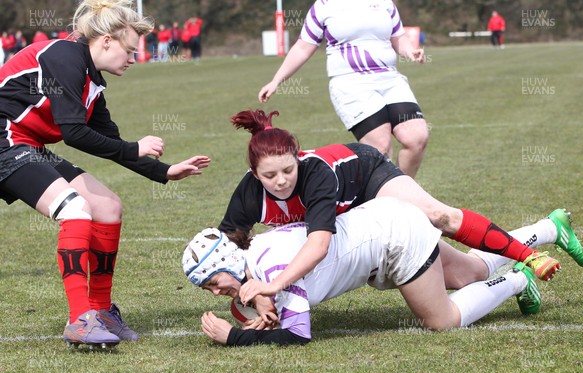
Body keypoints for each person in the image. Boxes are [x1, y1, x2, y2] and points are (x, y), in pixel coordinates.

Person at [0, 0, 211, 349]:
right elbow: (74, 133)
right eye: (128, 50)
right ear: (106, 41)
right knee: (75, 208)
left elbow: (110, 142)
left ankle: (100, 310)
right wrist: (135, 148)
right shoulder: (66, 57)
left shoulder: (91, 82)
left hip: (28, 144)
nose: (132, 58)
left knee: (109, 207)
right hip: (5, 139)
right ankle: (80, 318)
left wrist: (165, 171)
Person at [218, 109, 583, 307]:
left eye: (288, 170)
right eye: (270, 175)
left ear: (298, 159)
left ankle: (527, 256)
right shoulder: (249, 194)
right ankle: (551, 229)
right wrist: (236, 288)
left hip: (366, 180)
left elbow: (318, 245)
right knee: (461, 274)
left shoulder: (315, 175)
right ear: (253, 173)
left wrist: (274, 285)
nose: (281, 181)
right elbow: (226, 246)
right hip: (352, 221)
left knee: (439, 216)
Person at [187, 197, 546, 346]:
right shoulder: (258, 254)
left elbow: (298, 335)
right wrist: (266, 303)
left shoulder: (274, 267)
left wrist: (233, 338)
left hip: (394, 239)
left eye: (212, 283)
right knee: (472, 271)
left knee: (442, 321)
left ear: (226, 263)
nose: (216, 293)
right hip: (385, 219)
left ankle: (518, 280)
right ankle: (549, 228)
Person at [258, 0, 428, 178]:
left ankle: (401, 195)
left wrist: (411, 51)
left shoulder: (384, 2)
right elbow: (303, 47)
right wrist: (276, 80)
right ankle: (380, 200)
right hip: (351, 84)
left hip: (390, 79)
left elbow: (398, 37)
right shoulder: (323, 6)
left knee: (416, 138)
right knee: (380, 147)